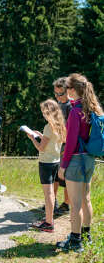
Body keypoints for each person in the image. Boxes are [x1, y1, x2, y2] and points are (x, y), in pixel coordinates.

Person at [57, 73, 103, 252]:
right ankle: (86, 236)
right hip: (90, 159)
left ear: (74, 90)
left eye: (67, 87)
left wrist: (63, 165)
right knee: (86, 200)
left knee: (75, 204)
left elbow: (70, 142)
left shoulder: (76, 112)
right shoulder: (93, 110)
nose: (65, 91)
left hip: (76, 160)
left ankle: (75, 242)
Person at [27, 99, 66, 232]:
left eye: (44, 112)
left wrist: (33, 138)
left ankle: (49, 222)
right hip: (56, 161)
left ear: (48, 113)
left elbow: (41, 148)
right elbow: (53, 142)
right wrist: (41, 135)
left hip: (46, 163)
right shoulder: (60, 125)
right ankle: (49, 218)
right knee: (52, 193)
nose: (43, 114)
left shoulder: (48, 126)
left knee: (48, 194)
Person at [52, 77, 72, 215]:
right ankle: (52, 201)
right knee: (54, 174)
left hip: (66, 146)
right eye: (56, 94)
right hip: (56, 144)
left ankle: (66, 204)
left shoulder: (71, 107)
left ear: (68, 91)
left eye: (61, 94)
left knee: (65, 176)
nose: (58, 97)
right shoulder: (58, 105)